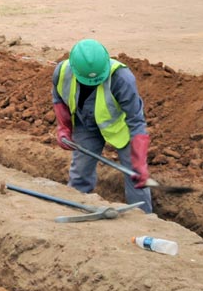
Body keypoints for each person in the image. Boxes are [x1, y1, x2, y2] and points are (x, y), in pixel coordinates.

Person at [51, 39, 153, 213]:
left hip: (119, 127)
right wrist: (64, 128)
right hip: (85, 123)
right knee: (80, 172)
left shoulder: (122, 78)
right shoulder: (62, 72)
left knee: (136, 175)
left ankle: (143, 220)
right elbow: (59, 98)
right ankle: (75, 210)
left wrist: (139, 158)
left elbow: (136, 120)